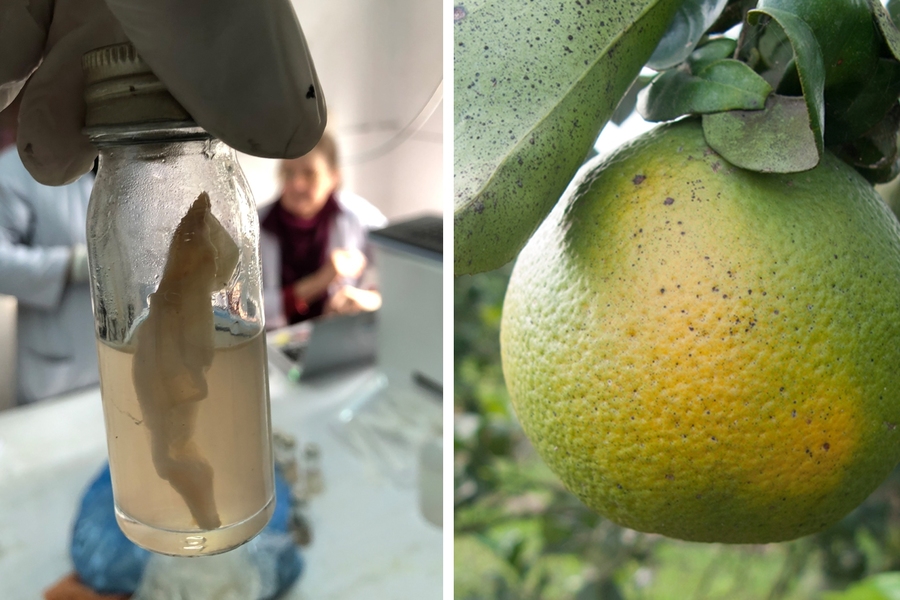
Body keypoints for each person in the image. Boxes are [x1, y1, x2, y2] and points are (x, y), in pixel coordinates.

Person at [0, 140, 96, 404]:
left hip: (124, 361)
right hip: (55, 379)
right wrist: (69, 265)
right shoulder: (14, 170)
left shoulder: (132, 165)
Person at [260, 132, 387, 328]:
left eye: (309, 174)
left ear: (333, 178)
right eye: (288, 173)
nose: (296, 184)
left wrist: (368, 300)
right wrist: (321, 280)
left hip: (341, 338)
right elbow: (244, 311)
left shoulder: (360, 217)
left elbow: (405, 281)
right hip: (274, 346)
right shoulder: (257, 225)